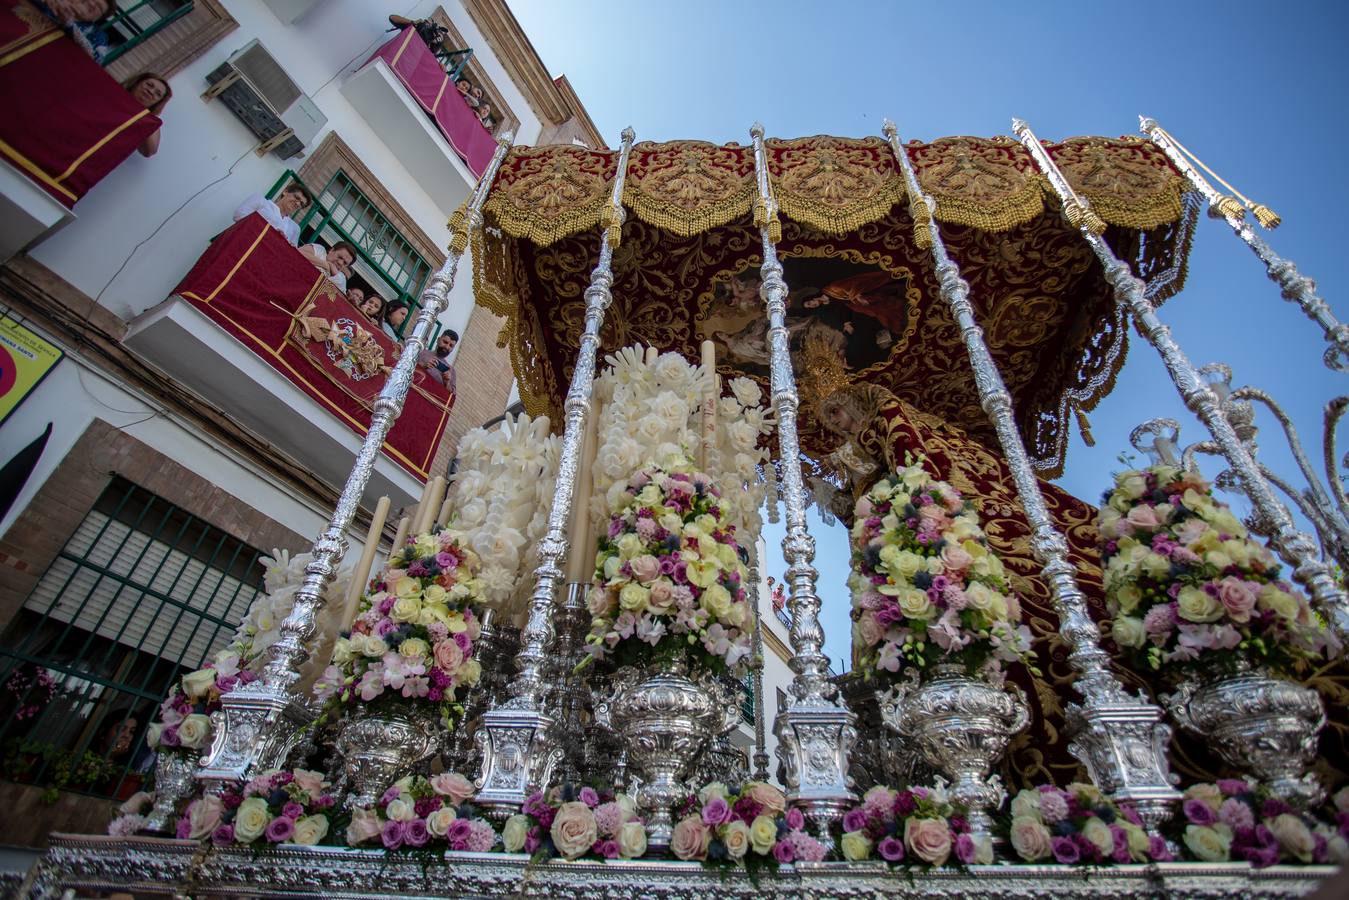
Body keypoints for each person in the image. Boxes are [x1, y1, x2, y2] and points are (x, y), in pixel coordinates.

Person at [234, 183, 310, 247]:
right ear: (285, 191)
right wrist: (271, 233)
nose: (297, 203)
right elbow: (239, 215)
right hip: (241, 244)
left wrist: (283, 243)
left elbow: (290, 253)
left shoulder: (295, 228)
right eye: (296, 197)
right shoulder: (260, 201)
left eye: (301, 204)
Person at [32, 0, 110, 59]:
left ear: (97, 18)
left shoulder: (98, 34)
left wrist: (69, 24)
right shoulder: (57, 3)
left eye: (99, 7)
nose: (93, 4)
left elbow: (96, 58)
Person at [122, 73, 170, 157]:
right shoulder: (112, 90)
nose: (151, 92)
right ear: (136, 83)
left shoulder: (149, 122)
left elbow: (149, 151)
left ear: (157, 103)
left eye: (158, 94)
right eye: (149, 85)